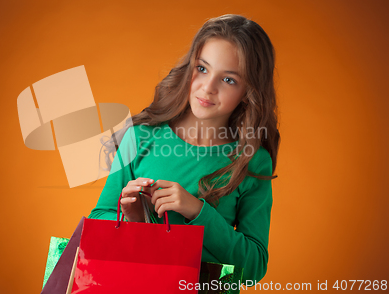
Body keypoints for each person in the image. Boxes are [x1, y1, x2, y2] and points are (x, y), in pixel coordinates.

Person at [88, 14, 280, 286]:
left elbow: (253, 269)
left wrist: (197, 212)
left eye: (228, 80)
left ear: (249, 91)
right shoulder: (140, 137)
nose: (208, 87)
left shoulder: (251, 161)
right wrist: (136, 220)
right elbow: (98, 220)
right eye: (202, 69)